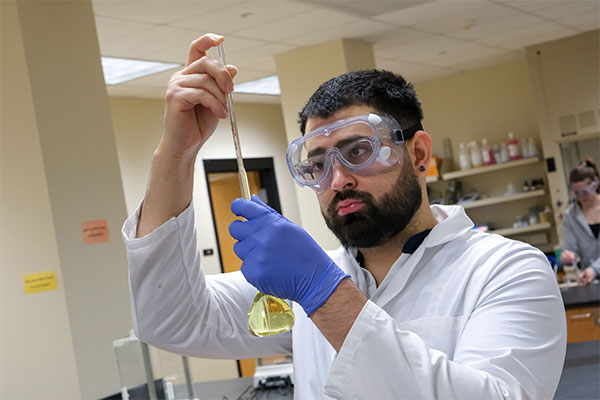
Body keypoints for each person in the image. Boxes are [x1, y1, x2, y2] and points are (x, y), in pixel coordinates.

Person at [122, 33, 566, 399]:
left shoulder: (507, 271)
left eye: (358, 152)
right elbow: (169, 320)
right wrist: (175, 153)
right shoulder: (308, 281)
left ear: (418, 154)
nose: (337, 180)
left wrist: (324, 295)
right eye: (317, 165)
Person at [560, 158, 600, 284]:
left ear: (596, 184)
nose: (581, 197)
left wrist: (594, 269)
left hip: (592, 273)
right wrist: (568, 256)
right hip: (589, 280)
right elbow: (572, 249)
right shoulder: (570, 216)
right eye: (576, 193)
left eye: (585, 192)